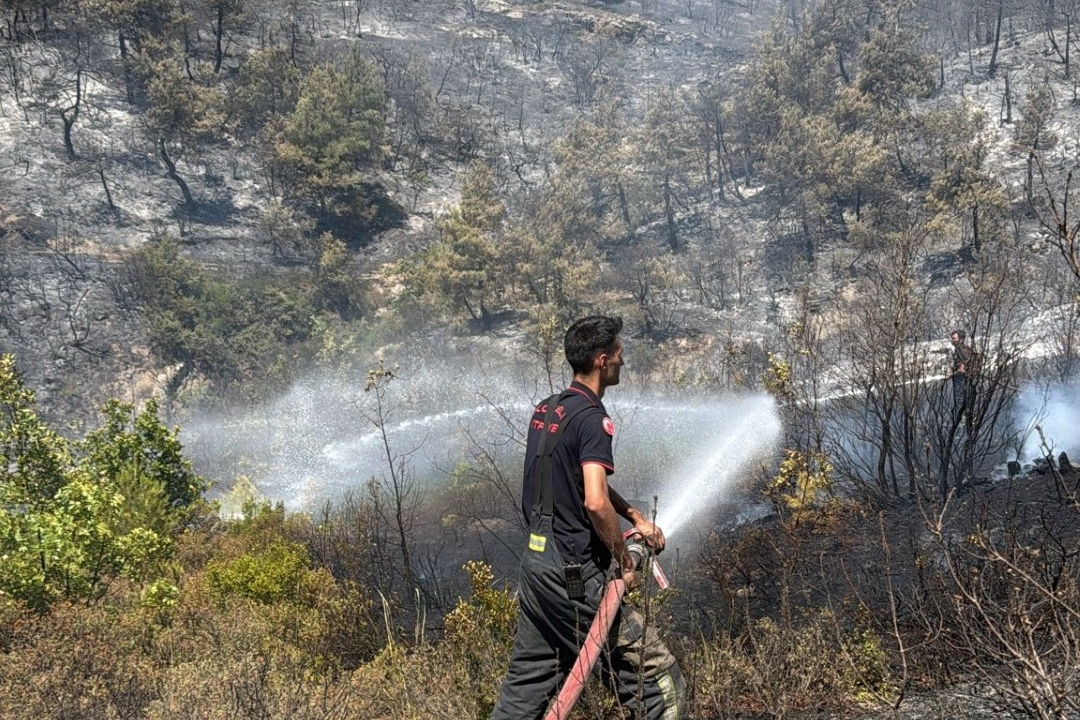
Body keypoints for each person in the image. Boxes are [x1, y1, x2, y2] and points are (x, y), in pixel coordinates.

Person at [490, 315, 685, 720]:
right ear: (601, 360)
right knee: (658, 679)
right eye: (618, 354)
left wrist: (632, 514)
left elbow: (580, 483)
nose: (622, 362)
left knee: (524, 690)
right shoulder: (594, 420)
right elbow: (594, 502)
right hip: (573, 576)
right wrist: (623, 558)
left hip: (537, 569)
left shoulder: (547, 411)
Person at [948, 329, 974, 416]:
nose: (952, 340)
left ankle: (961, 422)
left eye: (954, 338)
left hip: (961, 380)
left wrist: (953, 374)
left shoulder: (961, 350)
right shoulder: (962, 349)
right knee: (964, 402)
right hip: (963, 380)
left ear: (961, 339)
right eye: (952, 338)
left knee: (960, 402)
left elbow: (962, 369)